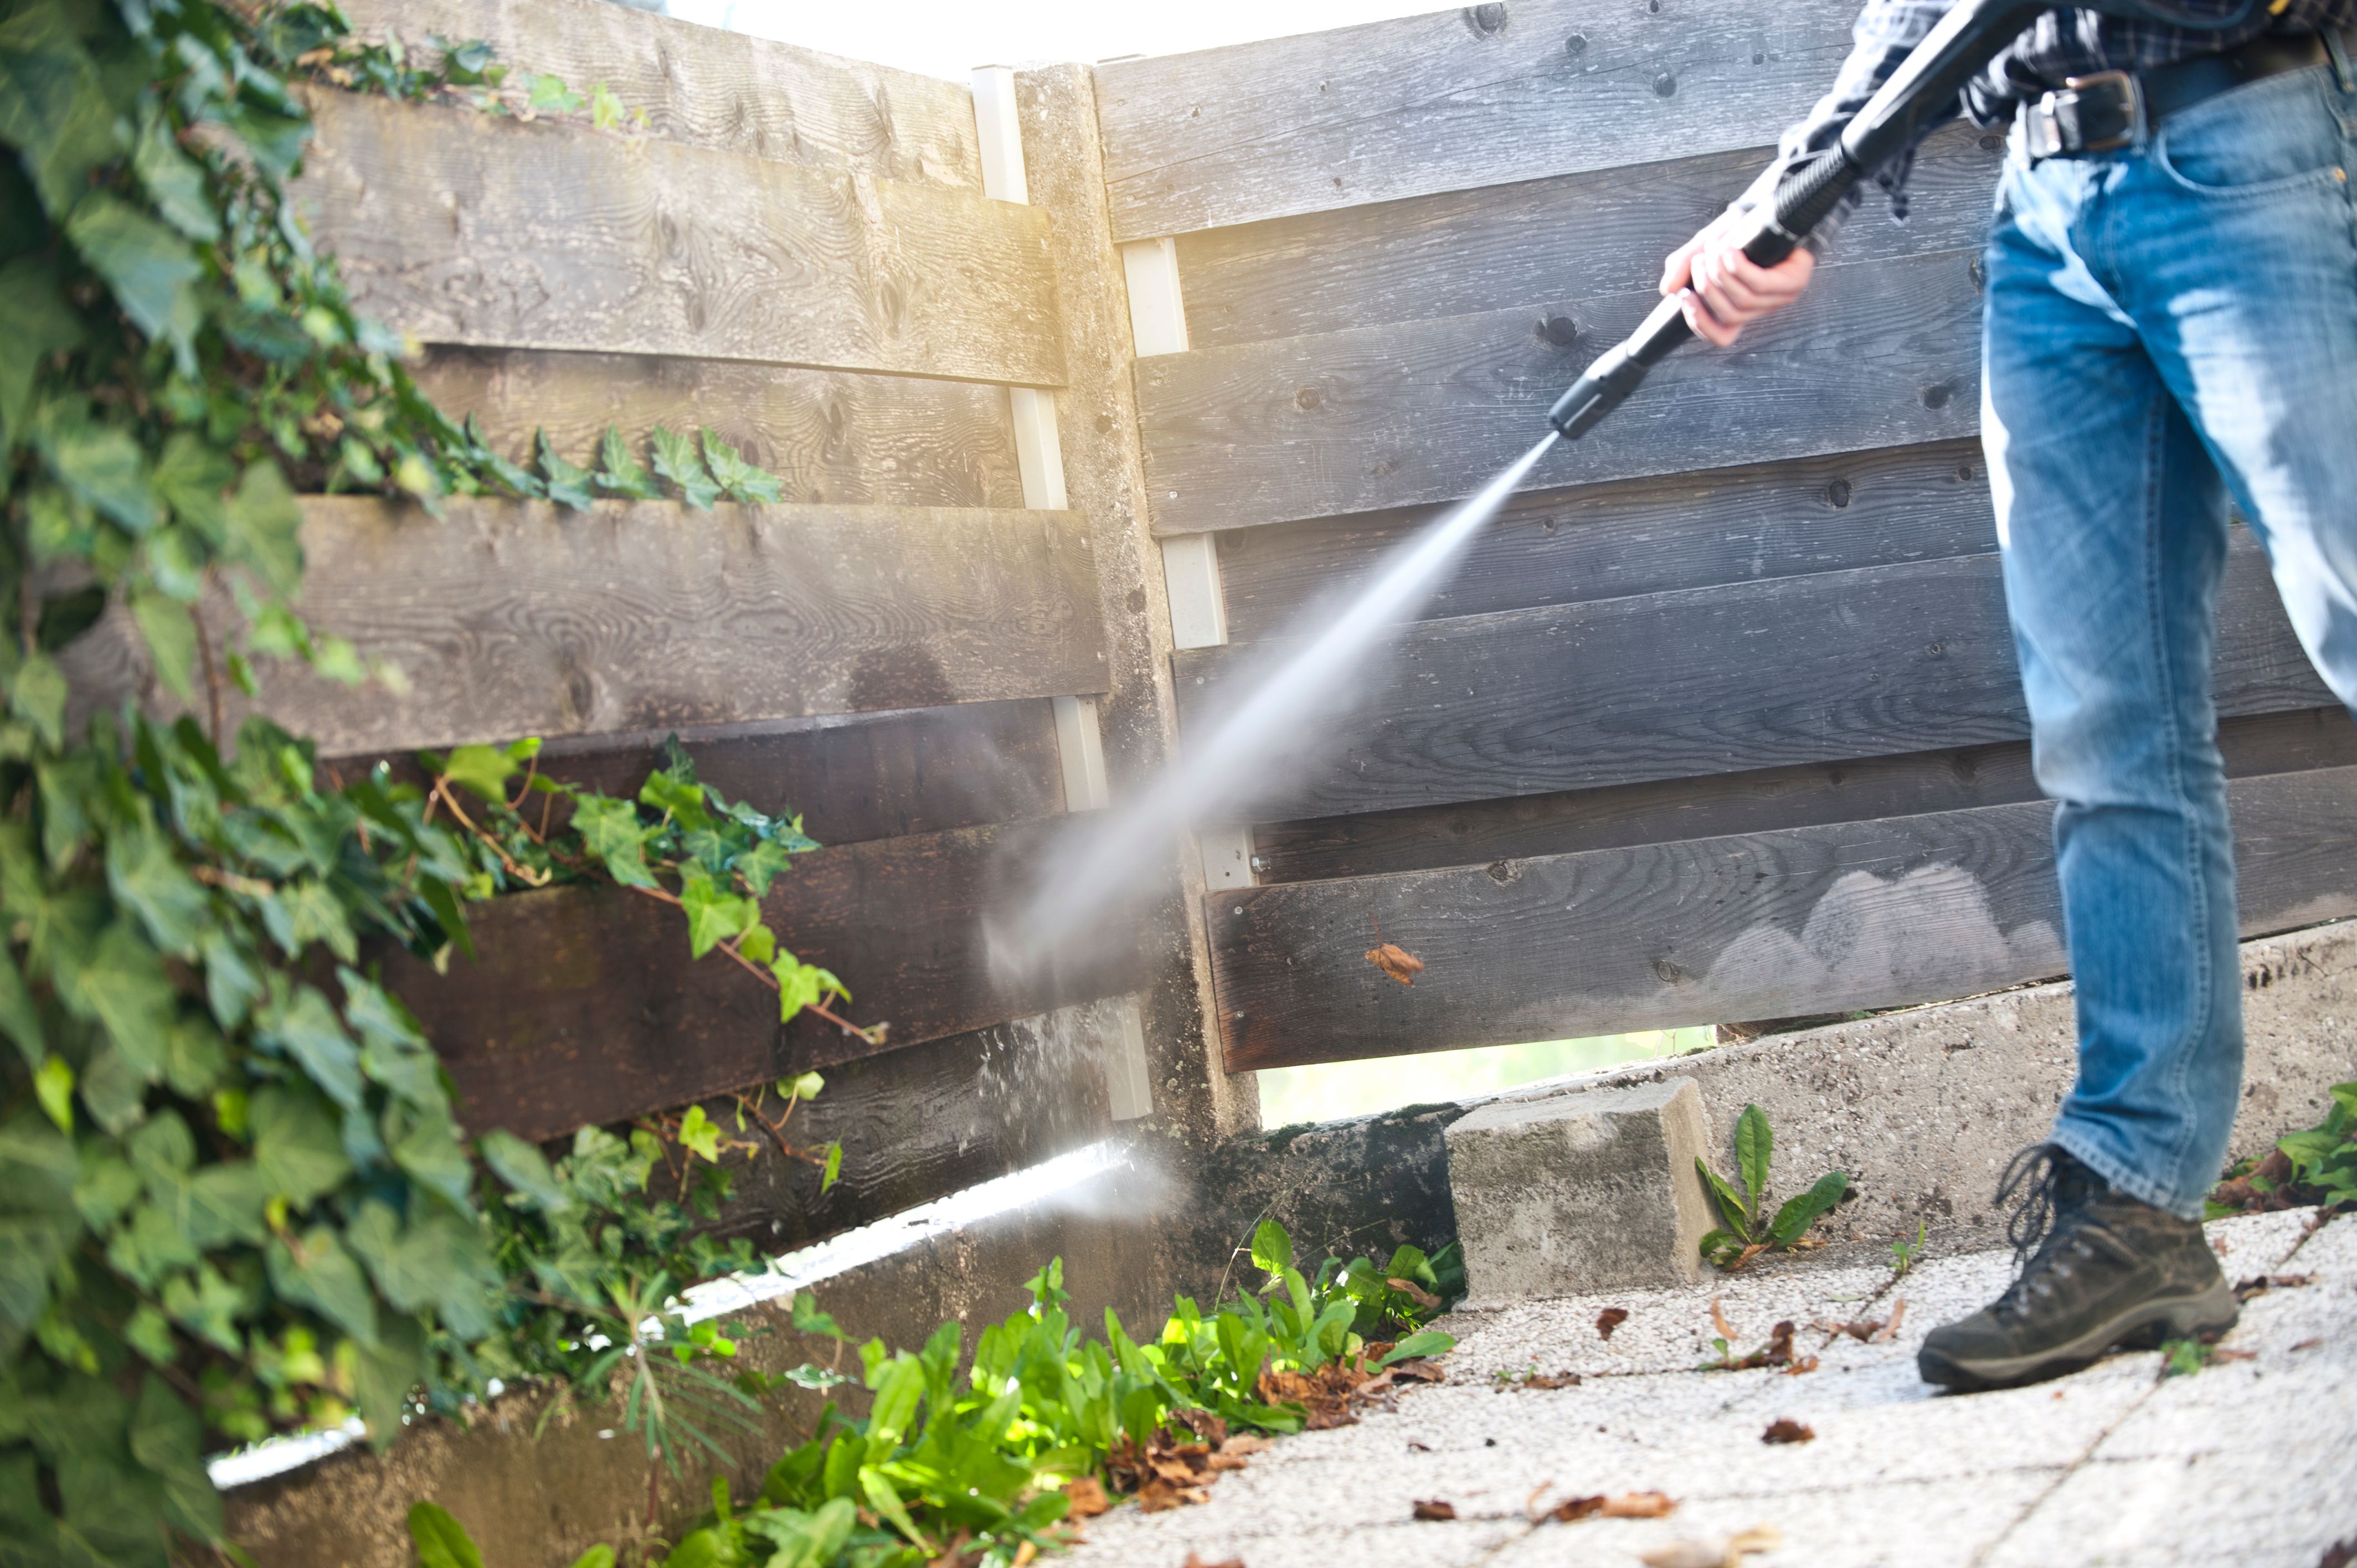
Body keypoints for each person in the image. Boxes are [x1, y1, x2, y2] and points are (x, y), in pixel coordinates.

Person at [1661, 0, 2357, 1392]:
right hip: (2043, 211)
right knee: (2108, 730)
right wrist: (1790, 188)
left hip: (2247, 136)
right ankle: (2135, 1201)